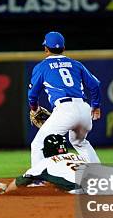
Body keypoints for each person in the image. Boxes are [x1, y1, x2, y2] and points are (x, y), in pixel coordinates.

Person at [28, 31, 101, 168]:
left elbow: (33, 94)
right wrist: (95, 106)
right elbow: (95, 84)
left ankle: (36, 181)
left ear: (46, 48)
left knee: (39, 143)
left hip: (64, 109)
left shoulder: (42, 66)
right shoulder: (76, 64)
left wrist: (34, 108)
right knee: (80, 142)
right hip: (84, 109)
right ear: (64, 48)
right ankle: (98, 175)